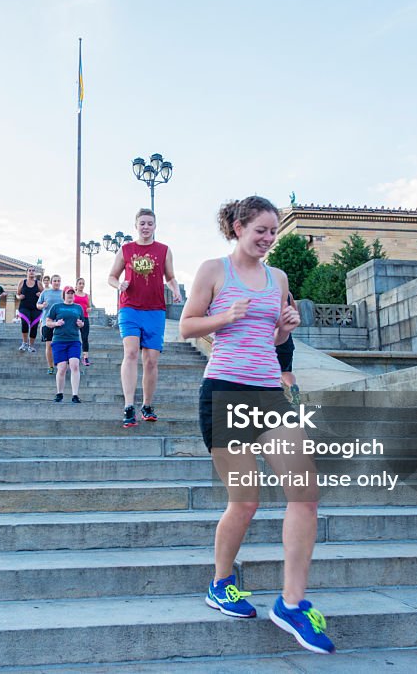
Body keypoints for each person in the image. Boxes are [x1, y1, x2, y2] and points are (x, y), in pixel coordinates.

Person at [179, 195, 334, 655]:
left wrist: (287, 325)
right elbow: (187, 325)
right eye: (260, 230)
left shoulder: (278, 276)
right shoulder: (213, 270)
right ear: (238, 227)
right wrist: (224, 317)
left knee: (305, 495)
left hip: (270, 393)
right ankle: (221, 583)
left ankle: (292, 603)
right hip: (224, 392)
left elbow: (274, 336)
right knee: (245, 500)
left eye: (273, 232)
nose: (267, 239)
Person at [108, 208, 182, 427]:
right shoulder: (126, 250)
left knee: (151, 361)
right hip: (130, 307)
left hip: (155, 310)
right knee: (130, 352)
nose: (146, 227)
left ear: (155, 226)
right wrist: (118, 285)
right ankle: (129, 405)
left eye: (150, 223)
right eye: (142, 223)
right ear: (136, 225)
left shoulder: (164, 250)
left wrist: (175, 290)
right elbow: (112, 276)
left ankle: (147, 405)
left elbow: (170, 277)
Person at [46, 286, 85, 403]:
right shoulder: (56, 307)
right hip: (59, 340)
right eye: (68, 293)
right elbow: (48, 322)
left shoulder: (78, 308)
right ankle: (59, 393)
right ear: (64, 295)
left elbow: (82, 323)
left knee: (75, 365)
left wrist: (80, 324)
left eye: (72, 293)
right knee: (62, 368)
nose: (70, 295)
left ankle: (75, 395)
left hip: (74, 340)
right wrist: (56, 323)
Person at [37, 274, 63, 374]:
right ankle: (51, 366)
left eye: (58, 281)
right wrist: (42, 305)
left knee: (61, 345)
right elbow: (38, 305)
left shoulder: (63, 293)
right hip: (47, 323)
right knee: (49, 345)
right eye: (55, 281)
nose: (57, 283)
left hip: (61, 323)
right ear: (51, 282)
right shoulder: (45, 292)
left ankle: (61, 365)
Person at [277, 293, 300, 405]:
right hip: (286, 340)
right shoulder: (287, 293)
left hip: (268, 338)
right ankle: (293, 387)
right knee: (285, 371)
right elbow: (295, 313)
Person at [15, 266, 42, 352]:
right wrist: (19, 297)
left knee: (34, 326)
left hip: (36, 308)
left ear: (35, 273)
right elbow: (17, 294)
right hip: (24, 307)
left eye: (33, 271)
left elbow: (44, 294)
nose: (31, 272)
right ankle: (24, 343)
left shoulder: (38, 283)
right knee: (25, 323)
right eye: (29, 271)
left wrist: (40, 295)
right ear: (26, 272)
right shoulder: (22, 282)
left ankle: (31, 345)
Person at [73, 278, 92, 367]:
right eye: (80, 283)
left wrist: (89, 309)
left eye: (83, 283)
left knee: (85, 338)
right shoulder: (73, 294)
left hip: (84, 318)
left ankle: (85, 357)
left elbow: (89, 307)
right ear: (76, 285)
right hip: (74, 318)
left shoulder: (87, 295)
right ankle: (73, 356)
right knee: (73, 336)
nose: (81, 285)